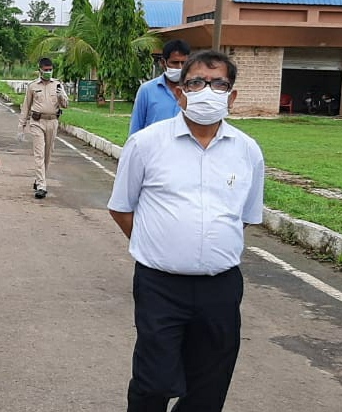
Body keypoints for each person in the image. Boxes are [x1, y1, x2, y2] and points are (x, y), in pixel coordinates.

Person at [107, 50, 265, 412]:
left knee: (209, 386)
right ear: (180, 93)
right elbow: (121, 207)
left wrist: (203, 244)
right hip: (160, 285)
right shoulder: (146, 144)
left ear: (232, 95)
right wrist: (160, 245)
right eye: (196, 82)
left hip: (221, 286)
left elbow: (242, 217)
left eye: (218, 83)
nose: (207, 91)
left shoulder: (248, 151)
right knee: (154, 382)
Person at [17, 57, 68, 199]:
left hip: (52, 121)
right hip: (37, 122)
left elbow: (65, 105)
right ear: (40, 70)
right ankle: (41, 185)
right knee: (39, 153)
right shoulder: (33, 86)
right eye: (45, 70)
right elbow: (26, 107)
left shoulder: (58, 85)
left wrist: (61, 97)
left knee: (47, 153)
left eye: (50, 70)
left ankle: (40, 178)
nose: (48, 72)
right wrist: (21, 126)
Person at [129, 39, 191, 135]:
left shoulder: (194, 91)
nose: (180, 68)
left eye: (184, 63)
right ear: (163, 63)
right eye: (174, 63)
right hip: (152, 149)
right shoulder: (147, 90)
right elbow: (135, 128)